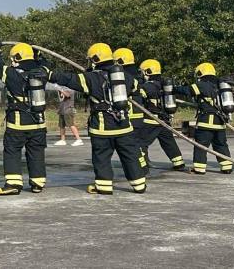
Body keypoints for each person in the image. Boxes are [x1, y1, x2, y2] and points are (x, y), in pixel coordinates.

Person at [49, 43, 146, 195]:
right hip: (124, 126)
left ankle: (104, 186)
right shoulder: (125, 77)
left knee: (101, 157)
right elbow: (135, 88)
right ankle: (139, 185)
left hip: (102, 128)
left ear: (95, 59)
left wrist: (49, 75)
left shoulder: (89, 78)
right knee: (130, 155)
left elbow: (68, 79)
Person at [0, 40, 51, 195]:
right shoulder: (42, 72)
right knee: (36, 152)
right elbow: (46, 64)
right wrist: (38, 55)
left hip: (17, 123)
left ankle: (13, 184)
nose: (11, 61)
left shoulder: (10, 74)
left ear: (17, 57)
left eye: (13, 58)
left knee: (12, 152)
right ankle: (37, 183)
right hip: (38, 123)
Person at [173, 63, 234, 175]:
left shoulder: (202, 85)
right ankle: (227, 166)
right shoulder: (219, 85)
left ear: (201, 73)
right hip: (220, 122)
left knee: (201, 145)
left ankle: (199, 168)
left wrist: (173, 88)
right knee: (221, 145)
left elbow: (187, 90)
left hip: (206, 121)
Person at [137, 59, 185, 171]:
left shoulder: (148, 86)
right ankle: (179, 163)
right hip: (164, 120)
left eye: (142, 72)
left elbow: (138, 96)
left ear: (148, 72)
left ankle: (142, 165)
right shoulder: (163, 84)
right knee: (169, 143)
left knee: (140, 142)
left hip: (151, 120)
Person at [113, 47, 148, 174]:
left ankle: (141, 169)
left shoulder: (123, 76)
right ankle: (143, 166)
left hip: (130, 116)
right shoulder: (137, 75)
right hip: (139, 117)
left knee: (132, 146)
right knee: (139, 144)